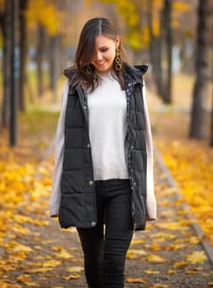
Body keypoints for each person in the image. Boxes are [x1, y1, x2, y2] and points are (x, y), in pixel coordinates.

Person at [49, 17, 157, 287]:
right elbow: (64, 139)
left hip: (123, 186)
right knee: (94, 261)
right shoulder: (74, 84)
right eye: (91, 52)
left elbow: (145, 143)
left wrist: (149, 197)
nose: (98, 58)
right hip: (85, 186)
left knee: (113, 262)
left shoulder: (134, 83)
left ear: (117, 44)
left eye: (104, 50)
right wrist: (57, 196)